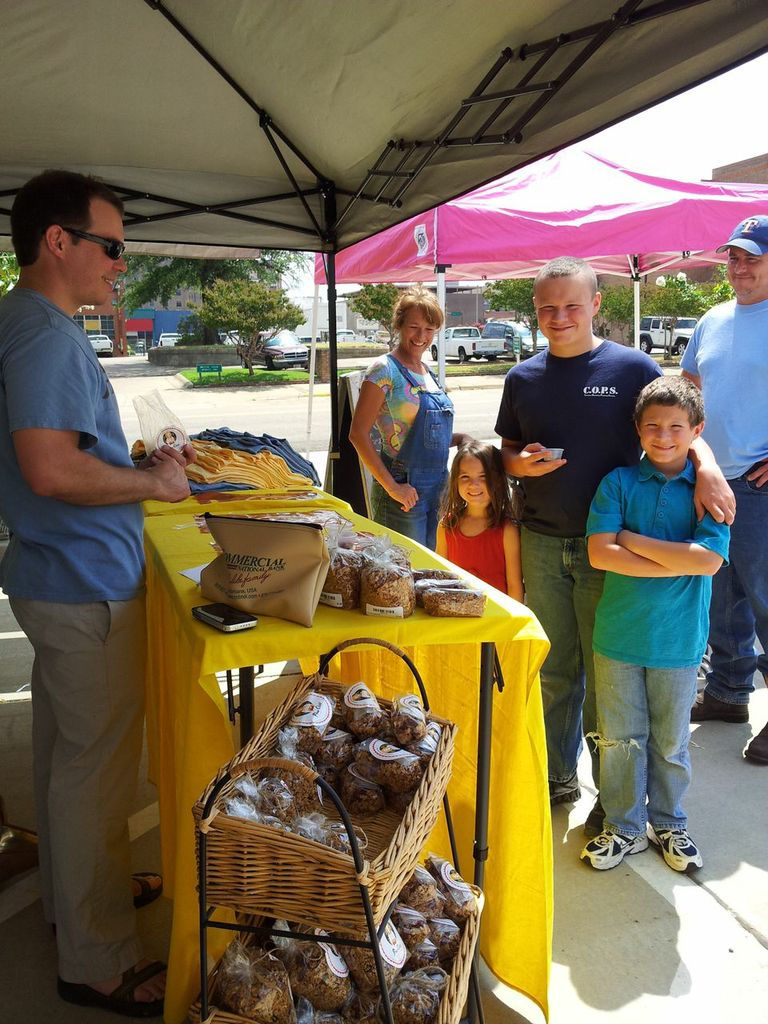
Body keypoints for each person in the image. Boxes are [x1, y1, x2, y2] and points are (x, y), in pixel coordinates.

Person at [0, 170, 194, 1017]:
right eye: (112, 247)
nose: (122, 264)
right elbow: (49, 468)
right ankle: (98, 957)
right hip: (84, 585)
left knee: (65, 763)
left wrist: (136, 468)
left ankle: (75, 904)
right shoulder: (43, 335)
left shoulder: (25, 321)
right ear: (59, 241)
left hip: (58, 578)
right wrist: (152, 483)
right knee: (96, 778)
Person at [494, 256, 734, 835]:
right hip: (545, 543)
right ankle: (557, 776)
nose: (560, 316)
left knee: (610, 682)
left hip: (614, 551)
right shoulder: (521, 378)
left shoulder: (632, 366)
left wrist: (708, 468)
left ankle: (615, 794)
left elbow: (676, 423)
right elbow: (506, 453)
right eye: (547, 307)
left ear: (597, 303)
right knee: (555, 671)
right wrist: (518, 465)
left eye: (572, 304)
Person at [579, 377, 729, 872]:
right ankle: (623, 827)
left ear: (696, 430)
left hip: (679, 639)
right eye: (652, 427)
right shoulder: (618, 483)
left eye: (676, 427)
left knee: (670, 741)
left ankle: (670, 822)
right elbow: (600, 554)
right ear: (638, 430)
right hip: (619, 635)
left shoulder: (708, 491)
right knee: (621, 737)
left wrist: (630, 537)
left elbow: (708, 561)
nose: (663, 436)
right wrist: (675, 560)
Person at [682, 215, 768, 766]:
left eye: (752, 257)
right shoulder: (711, 320)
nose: (739, 266)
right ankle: (728, 694)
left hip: (760, 489)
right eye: (734, 256)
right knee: (721, 596)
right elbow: (688, 391)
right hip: (711, 478)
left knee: (766, 600)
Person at [349, 286, 470, 549]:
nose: (421, 336)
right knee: (402, 571)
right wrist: (392, 487)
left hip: (437, 488)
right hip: (403, 491)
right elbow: (357, 434)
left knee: (429, 570)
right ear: (400, 325)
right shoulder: (384, 370)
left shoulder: (427, 371)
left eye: (429, 329)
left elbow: (419, 433)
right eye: (414, 327)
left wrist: (461, 439)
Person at [435, 440, 524, 600]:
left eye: (483, 476)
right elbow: (440, 579)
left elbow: (514, 584)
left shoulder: (507, 529)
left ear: (497, 480)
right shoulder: (446, 526)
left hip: (497, 619)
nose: (473, 484)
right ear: (454, 481)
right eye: (465, 477)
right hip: (458, 617)